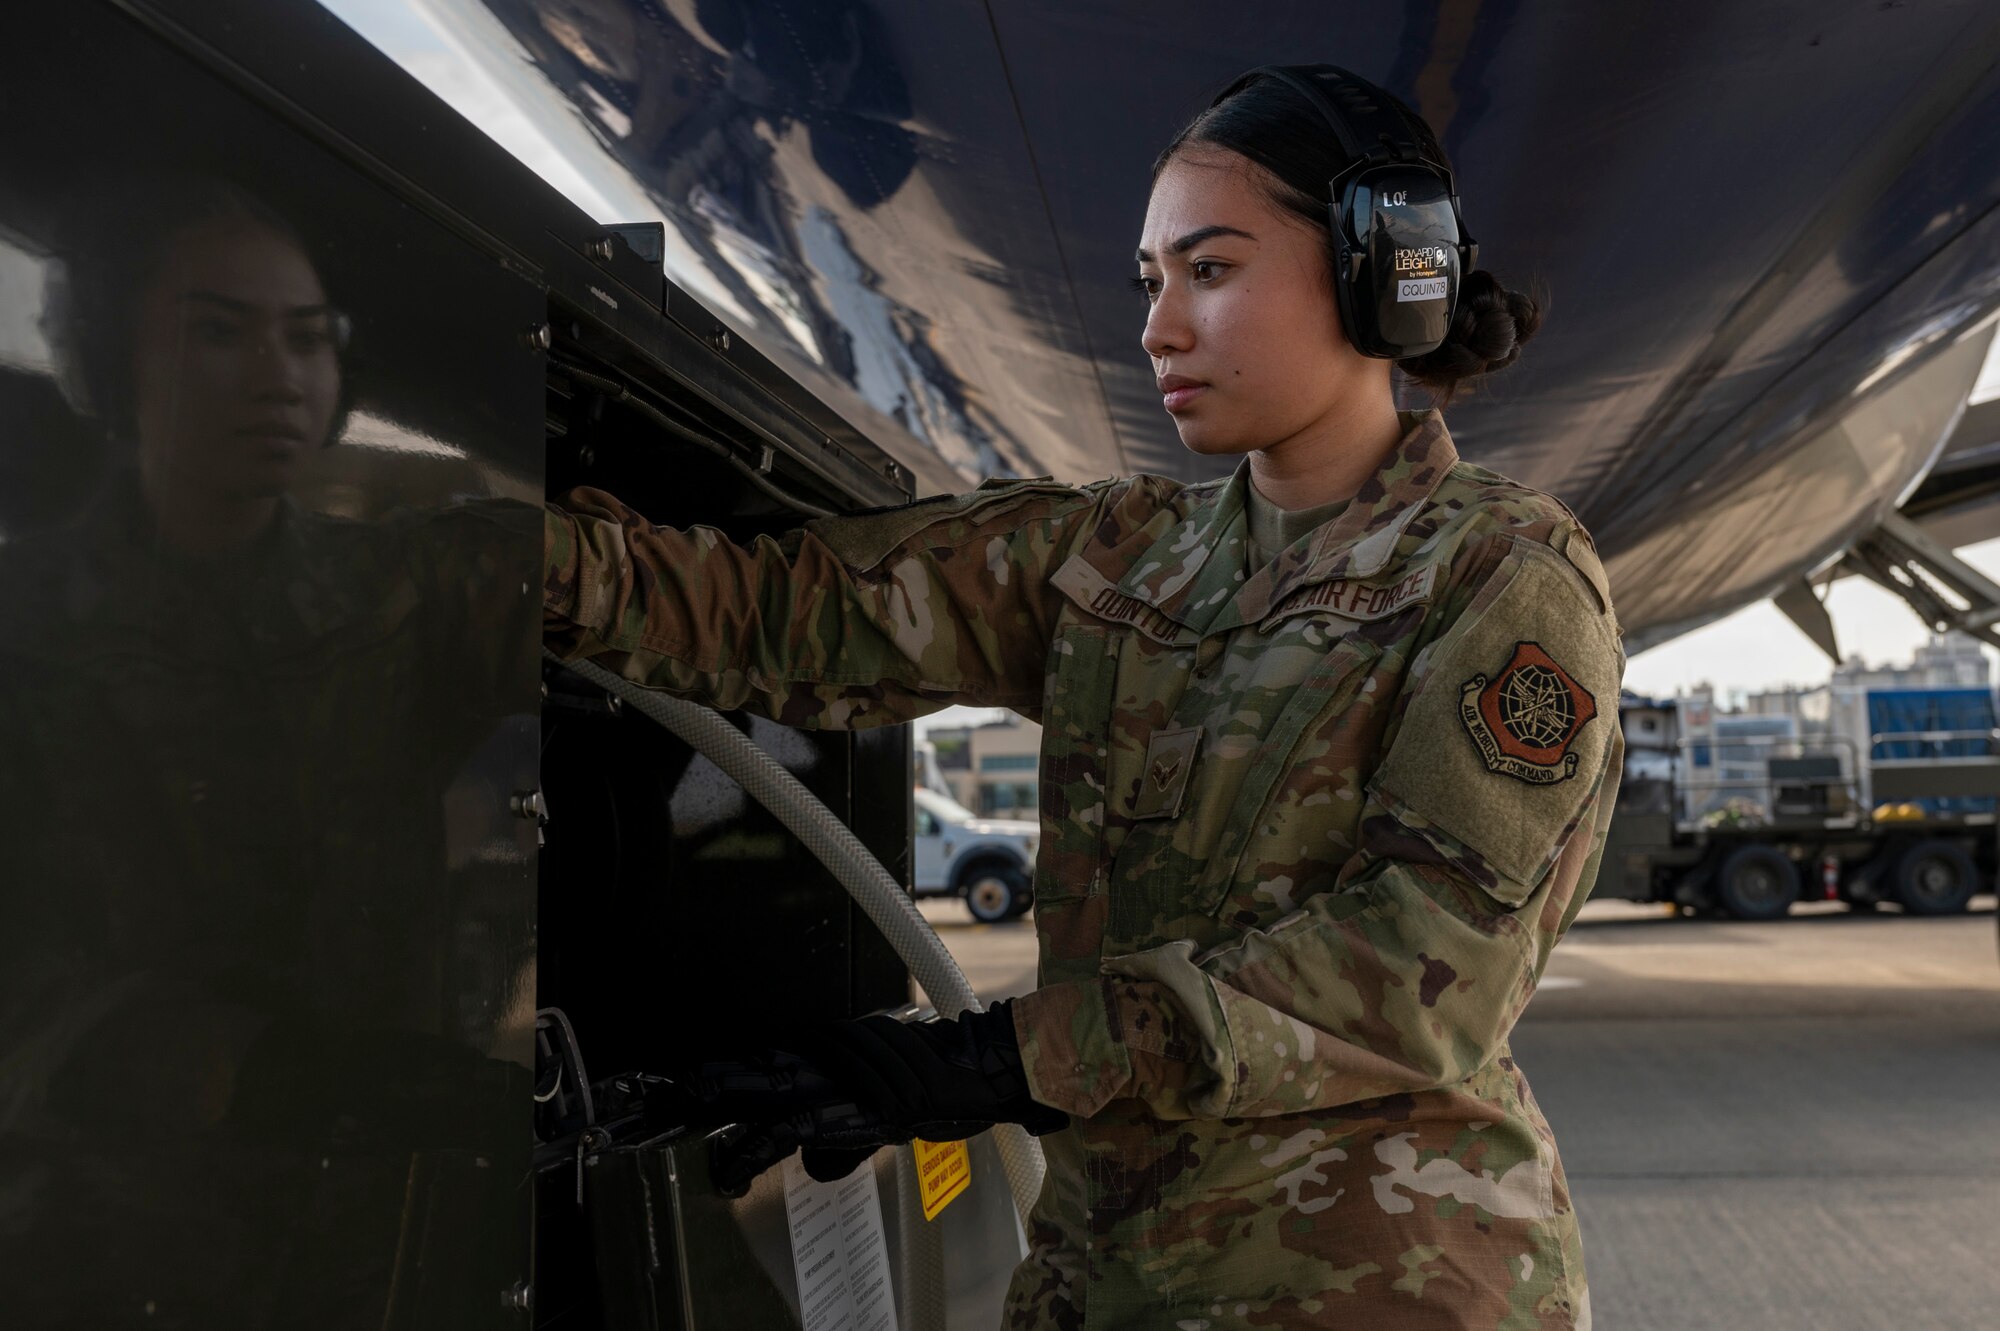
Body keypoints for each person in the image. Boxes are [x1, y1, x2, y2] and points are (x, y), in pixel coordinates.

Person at [543, 65, 1623, 1330]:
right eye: (1150, 282)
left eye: (1208, 271)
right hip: (1100, 1280)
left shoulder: (1501, 571)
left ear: (1381, 271)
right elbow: (793, 616)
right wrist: (498, 546)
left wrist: (994, 1060)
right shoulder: (1122, 556)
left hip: (1375, 1284)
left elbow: (1418, 967)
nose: (1160, 328)